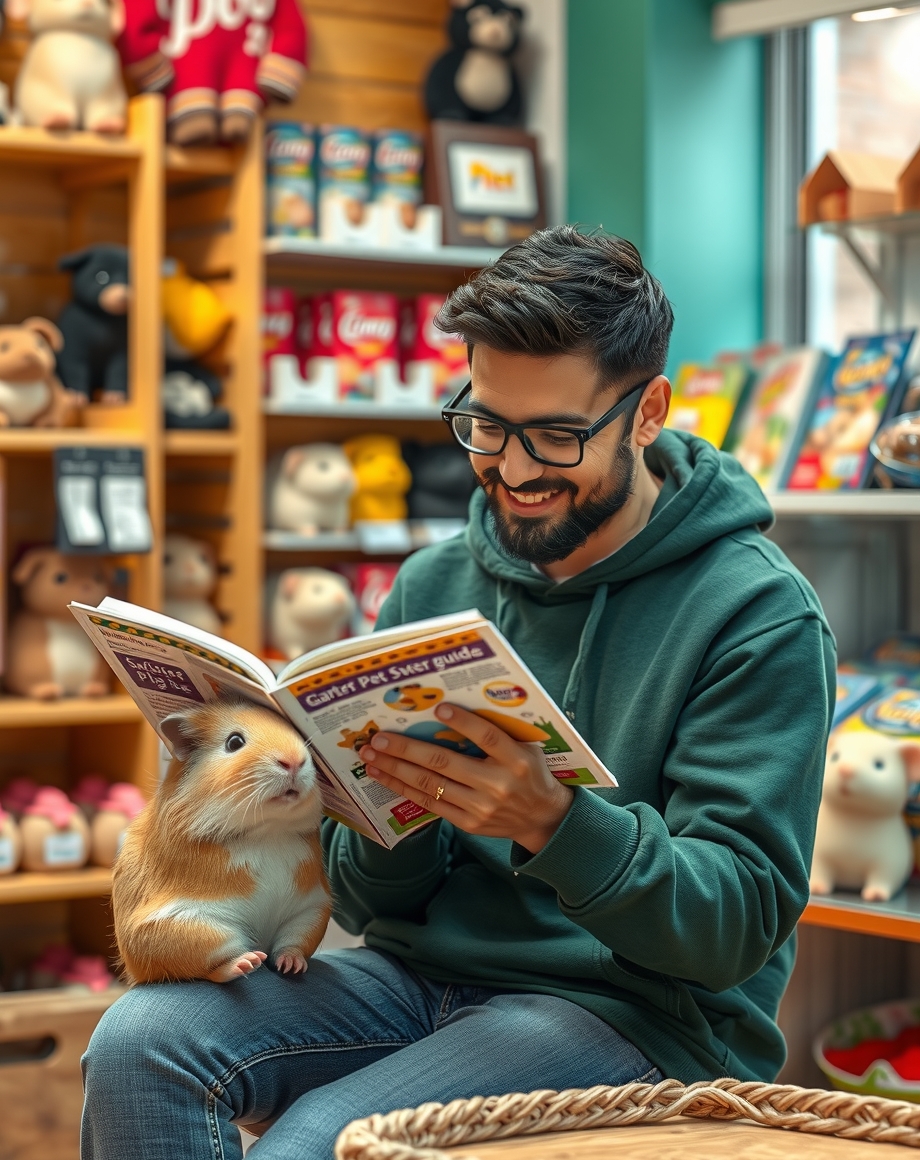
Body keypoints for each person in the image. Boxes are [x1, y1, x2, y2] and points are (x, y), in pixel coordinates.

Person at [81, 226, 835, 1160]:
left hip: (639, 1018)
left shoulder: (757, 615)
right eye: (487, 424)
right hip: (416, 977)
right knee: (137, 1045)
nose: (514, 471)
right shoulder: (434, 588)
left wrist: (557, 825)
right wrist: (390, 812)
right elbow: (367, 901)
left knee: (324, 1139)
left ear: (649, 414)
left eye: (558, 436)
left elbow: (735, 927)